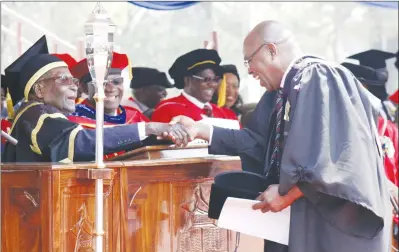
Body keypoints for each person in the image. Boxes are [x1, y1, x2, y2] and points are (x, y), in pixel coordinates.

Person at [170, 20, 392, 252]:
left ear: (271, 50)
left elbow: (335, 158)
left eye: (249, 60)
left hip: (331, 223)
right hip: (297, 217)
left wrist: (287, 194)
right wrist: (199, 129)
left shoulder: (317, 77)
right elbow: (256, 142)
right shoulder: (280, 90)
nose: (248, 70)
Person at [1, 37, 190, 163]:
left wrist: (155, 137)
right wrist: (148, 128)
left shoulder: (40, 114)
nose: (74, 86)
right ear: (39, 89)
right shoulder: (38, 112)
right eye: (64, 79)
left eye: (74, 80)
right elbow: (78, 142)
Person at [68, 52, 149, 127]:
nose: (111, 89)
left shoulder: (135, 117)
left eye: (117, 81)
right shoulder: (72, 122)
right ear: (84, 88)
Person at [151, 49, 228, 123]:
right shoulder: (167, 109)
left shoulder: (225, 113)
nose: (212, 84)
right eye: (206, 79)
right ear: (187, 80)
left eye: (215, 79)